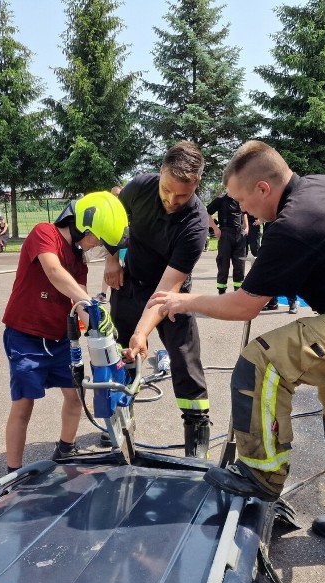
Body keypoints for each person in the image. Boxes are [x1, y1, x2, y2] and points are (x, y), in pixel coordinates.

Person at [149, 141, 325, 554]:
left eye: (242, 201)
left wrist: (183, 301)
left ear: (263, 188)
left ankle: (260, 474)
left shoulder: (294, 223)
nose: (243, 212)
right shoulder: (324, 187)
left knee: (262, 360)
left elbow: (243, 306)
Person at [1, 191, 128, 473]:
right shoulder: (44, 233)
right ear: (83, 224)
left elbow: (78, 297)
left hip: (59, 341)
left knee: (75, 397)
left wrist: (98, 320)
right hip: (25, 337)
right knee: (24, 406)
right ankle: (13, 472)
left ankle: (66, 448)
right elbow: (54, 272)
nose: (94, 245)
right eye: (96, 238)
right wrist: (87, 302)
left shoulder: (78, 259)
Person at [103, 140, 212, 458]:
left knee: (184, 358)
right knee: (120, 357)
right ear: (161, 171)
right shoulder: (138, 187)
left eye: (183, 194)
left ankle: (196, 428)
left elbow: (167, 290)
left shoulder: (196, 224)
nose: (173, 200)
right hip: (130, 283)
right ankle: (122, 425)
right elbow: (114, 221)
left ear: (196, 185)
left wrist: (143, 331)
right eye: (168, 189)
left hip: (171, 294)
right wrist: (112, 258)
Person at [207, 190, 249, 294]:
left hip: (239, 235)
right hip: (225, 234)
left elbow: (244, 213)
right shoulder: (220, 200)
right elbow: (206, 213)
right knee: (223, 265)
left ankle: (238, 293)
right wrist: (215, 229)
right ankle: (222, 292)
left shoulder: (239, 198)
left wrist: (246, 227)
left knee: (240, 265)